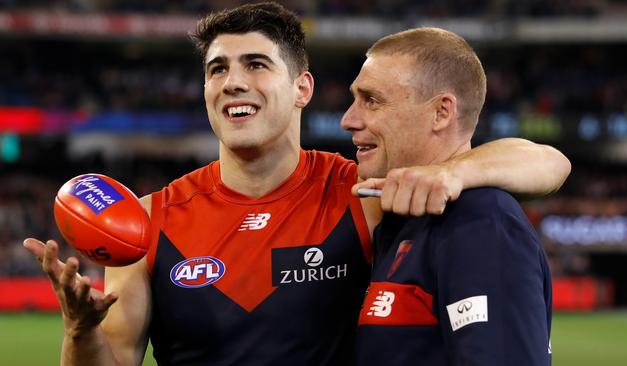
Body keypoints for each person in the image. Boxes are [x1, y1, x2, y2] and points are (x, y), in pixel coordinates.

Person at [23, 3, 569, 366]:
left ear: (301, 86)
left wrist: (452, 172)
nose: (233, 80)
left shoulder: (362, 193)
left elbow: (545, 162)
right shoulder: (145, 222)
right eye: (217, 69)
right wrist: (79, 331)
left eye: (256, 64)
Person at [345, 28, 555, 365]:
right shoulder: (401, 219)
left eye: (372, 100)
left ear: (442, 112)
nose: (348, 119)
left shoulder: (482, 221)